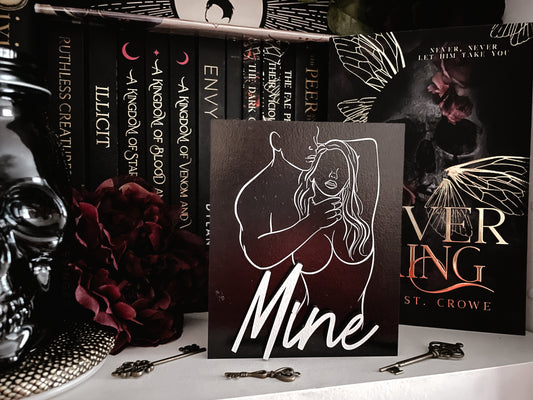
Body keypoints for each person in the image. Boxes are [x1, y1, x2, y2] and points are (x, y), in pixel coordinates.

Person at [235, 127, 377, 312]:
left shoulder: (354, 213)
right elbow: (257, 254)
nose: (314, 146)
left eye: (317, 139)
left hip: (347, 316)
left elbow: (372, 144)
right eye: (305, 138)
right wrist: (312, 222)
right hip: (293, 311)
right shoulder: (258, 193)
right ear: (277, 141)